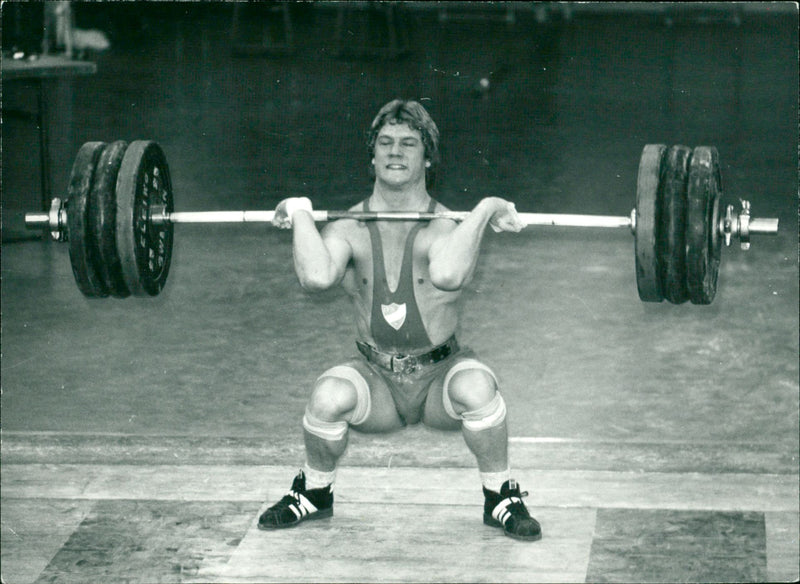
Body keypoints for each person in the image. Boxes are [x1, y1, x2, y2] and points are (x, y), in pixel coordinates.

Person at [259, 99, 541, 542]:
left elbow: (447, 274)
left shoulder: (445, 226)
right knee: (327, 397)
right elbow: (316, 277)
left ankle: (500, 496)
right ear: (371, 155)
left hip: (440, 379)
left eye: (409, 143)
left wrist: (485, 209)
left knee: (477, 388)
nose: (395, 152)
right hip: (377, 381)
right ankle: (314, 493)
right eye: (385, 143)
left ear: (428, 157)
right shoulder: (349, 227)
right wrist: (299, 212)